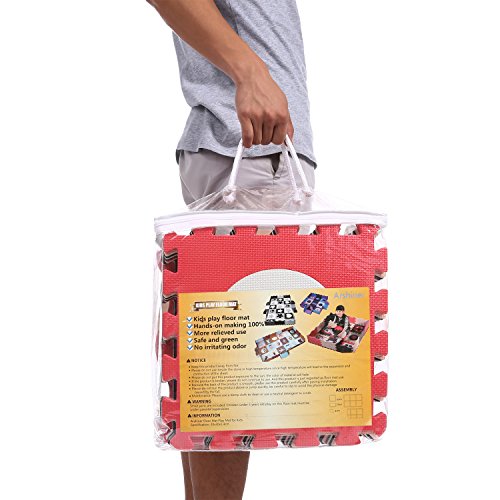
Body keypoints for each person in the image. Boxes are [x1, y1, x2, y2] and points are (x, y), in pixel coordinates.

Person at [146, 1, 316, 499]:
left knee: (219, 352)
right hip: (251, 146)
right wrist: (252, 73)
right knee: (234, 362)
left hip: (244, 147)